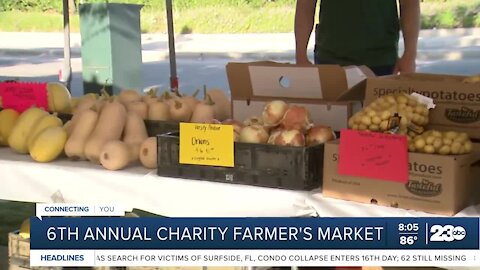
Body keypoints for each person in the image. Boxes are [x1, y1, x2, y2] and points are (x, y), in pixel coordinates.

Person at [294, 0, 420, 76]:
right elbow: (305, 5)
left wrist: (409, 55)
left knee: (380, 117)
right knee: (330, 119)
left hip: (381, 60)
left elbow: (409, 3)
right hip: (330, 59)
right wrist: (301, 56)